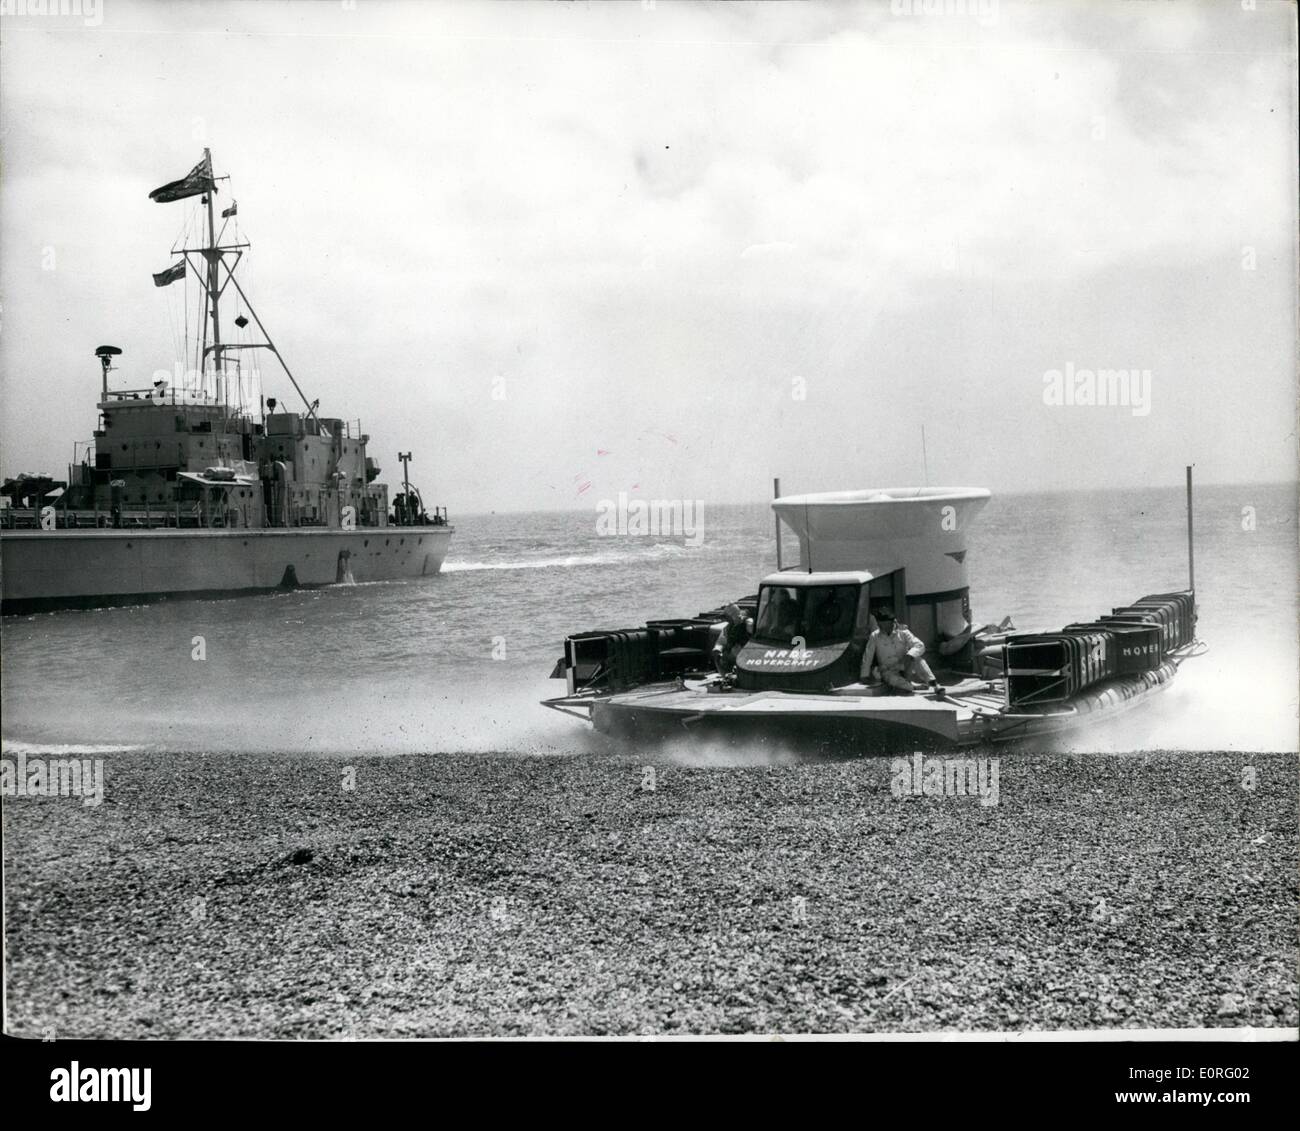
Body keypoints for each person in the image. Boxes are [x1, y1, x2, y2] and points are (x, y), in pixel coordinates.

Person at [860, 608, 943, 697]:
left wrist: (910, 655)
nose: (882, 627)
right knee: (892, 680)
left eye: (885, 624)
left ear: (892, 622)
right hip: (888, 669)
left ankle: (935, 685)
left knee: (918, 660)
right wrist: (864, 675)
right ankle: (913, 687)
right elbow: (868, 656)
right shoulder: (875, 636)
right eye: (880, 624)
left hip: (904, 665)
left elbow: (920, 645)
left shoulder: (903, 632)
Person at [711, 603, 752, 676]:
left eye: (728, 616)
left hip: (747, 655)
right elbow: (721, 642)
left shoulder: (748, 623)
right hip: (732, 655)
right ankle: (726, 676)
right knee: (720, 658)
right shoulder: (727, 628)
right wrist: (717, 649)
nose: (727, 619)